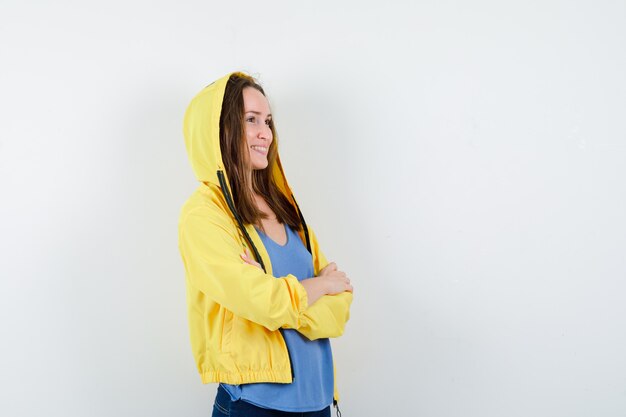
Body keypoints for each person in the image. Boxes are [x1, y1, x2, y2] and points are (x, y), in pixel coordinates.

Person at [178, 71, 354, 417]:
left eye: (268, 121)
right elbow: (263, 304)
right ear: (220, 131)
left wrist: (280, 299)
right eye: (251, 120)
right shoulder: (203, 216)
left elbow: (340, 308)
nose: (266, 134)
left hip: (318, 403)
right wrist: (319, 285)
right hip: (254, 406)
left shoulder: (284, 207)